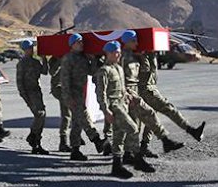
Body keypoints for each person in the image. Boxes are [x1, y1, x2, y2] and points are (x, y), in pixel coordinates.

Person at [118, 31, 203, 159]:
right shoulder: (132, 56)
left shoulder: (147, 54)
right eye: (134, 41)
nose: (136, 43)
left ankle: (141, 148)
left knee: (148, 119)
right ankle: (189, 131)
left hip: (146, 89)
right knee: (164, 109)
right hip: (143, 90)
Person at [59, 33, 108, 161]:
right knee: (84, 117)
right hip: (72, 94)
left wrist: (94, 60)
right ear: (72, 44)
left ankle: (75, 150)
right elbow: (64, 80)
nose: (81, 44)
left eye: (82, 42)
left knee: (77, 122)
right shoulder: (68, 59)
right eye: (78, 42)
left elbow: (92, 72)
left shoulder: (83, 58)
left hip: (80, 93)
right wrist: (68, 97)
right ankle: (96, 140)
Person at [94, 41, 138, 178]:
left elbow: (122, 88)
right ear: (107, 54)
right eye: (114, 52)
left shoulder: (119, 68)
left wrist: (128, 97)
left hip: (122, 104)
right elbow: (100, 93)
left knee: (119, 135)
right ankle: (132, 155)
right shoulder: (103, 71)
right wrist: (106, 111)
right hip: (114, 106)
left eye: (118, 52)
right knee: (133, 128)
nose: (117, 54)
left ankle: (116, 166)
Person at [16, 40, 49, 154]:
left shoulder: (35, 62)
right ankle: (32, 136)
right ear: (25, 50)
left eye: (32, 48)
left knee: (42, 116)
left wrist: (44, 59)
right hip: (29, 93)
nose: (32, 50)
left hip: (37, 92)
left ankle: (36, 142)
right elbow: (19, 82)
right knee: (40, 114)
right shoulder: (22, 63)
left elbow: (45, 71)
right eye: (29, 48)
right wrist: (24, 96)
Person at [47, 56, 72, 152]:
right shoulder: (54, 59)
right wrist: (60, 60)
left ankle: (74, 137)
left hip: (69, 88)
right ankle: (63, 141)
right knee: (66, 114)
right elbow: (52, 72)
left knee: (74, 113)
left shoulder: (72, 57)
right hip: (59, 88)